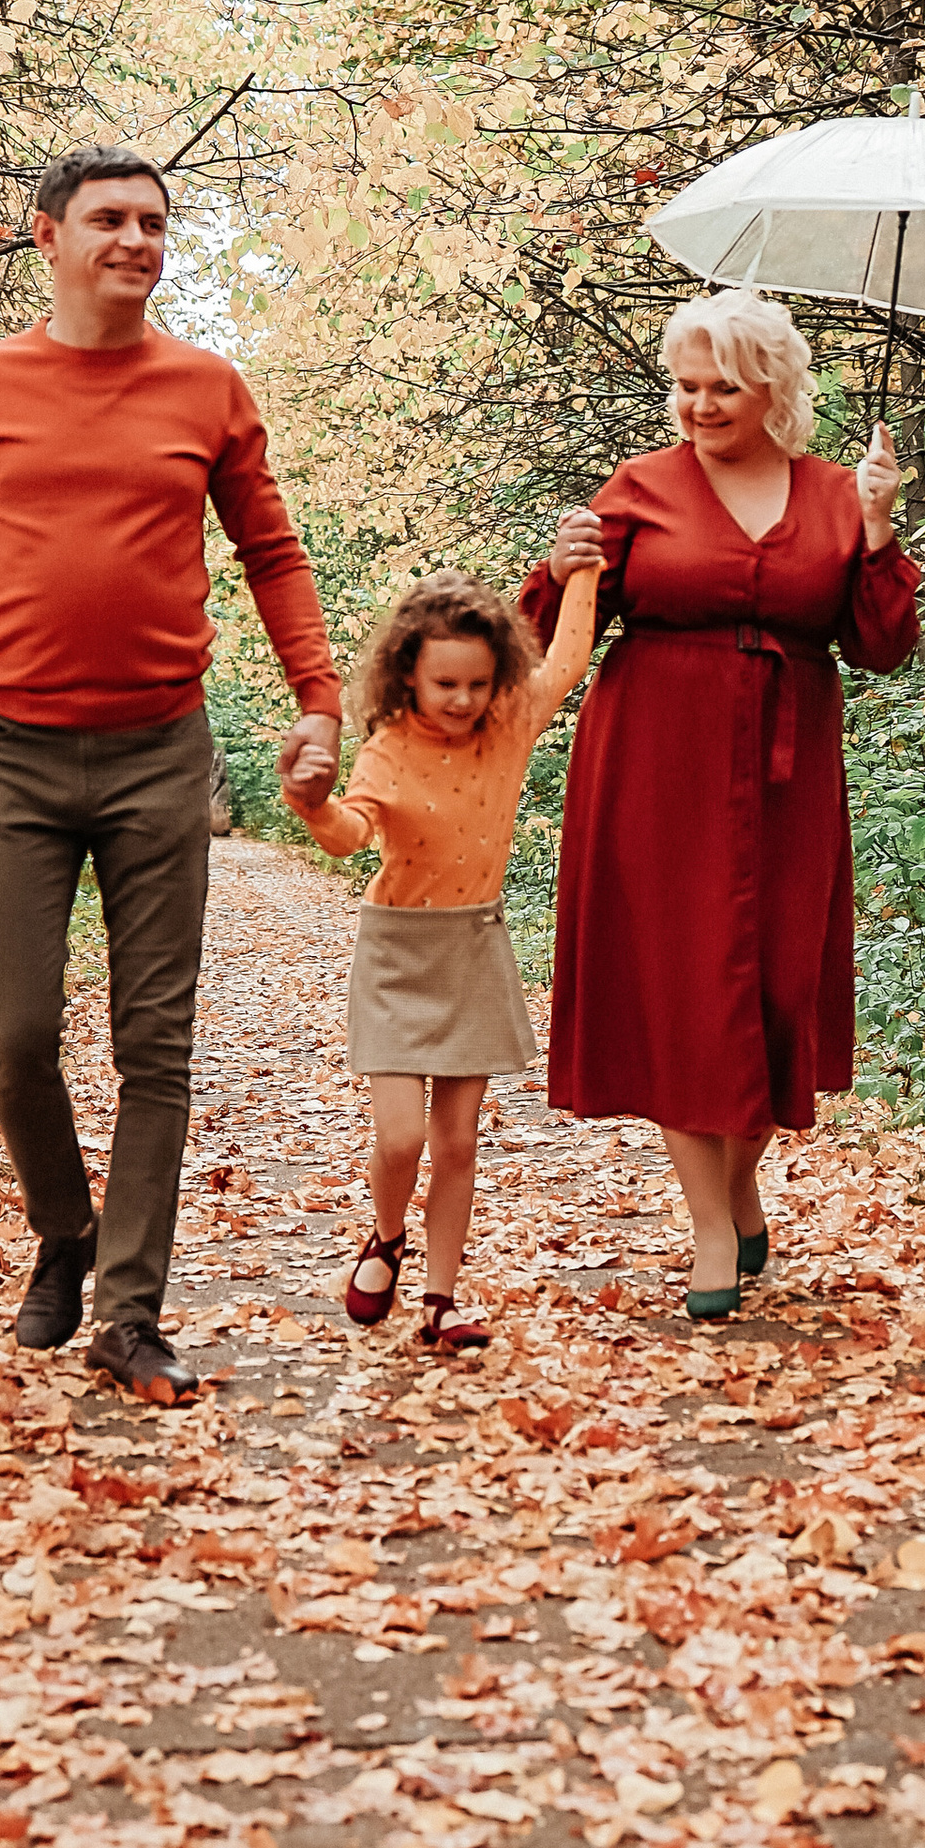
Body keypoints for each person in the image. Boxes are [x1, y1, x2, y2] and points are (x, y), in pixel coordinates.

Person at [0, 144, 342, 1403]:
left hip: (157, 755)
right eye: (109, 220)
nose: (135, 240)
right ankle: (65, 1231)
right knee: (18, 1038)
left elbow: (272, 553)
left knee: (156, 1045)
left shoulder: (207, 390)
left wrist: (319, 700)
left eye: (153, 222)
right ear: (47, 237)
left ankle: (129, 1311)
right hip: (13, 755)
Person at [521, 286, 917, 1319]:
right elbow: (555, 635)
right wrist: (557, 571)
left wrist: (876, 536)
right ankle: (709, 1227)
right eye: (684, 386)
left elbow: (879, 647)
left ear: (772, 388)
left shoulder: (836, 493)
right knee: (682, 992)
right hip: (656, 759)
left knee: (777, 987)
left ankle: (739, 1187)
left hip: (790, 770)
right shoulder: (638, 488)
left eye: (722, 388)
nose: (697, 405)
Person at [283, 559, 601, 1351]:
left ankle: (441, 1299)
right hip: (396, 956)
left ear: (497, 679)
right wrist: (311, 804)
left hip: (473, 946)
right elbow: (350, 835)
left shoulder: (510, 723)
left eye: (478, 684)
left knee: (457, 1142)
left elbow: (566, 660)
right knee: (401, 1137)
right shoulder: (389, 747)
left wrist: (586, 571)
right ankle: (386, 1239)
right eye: (445, 685)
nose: (463, 701)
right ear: (409, 678)